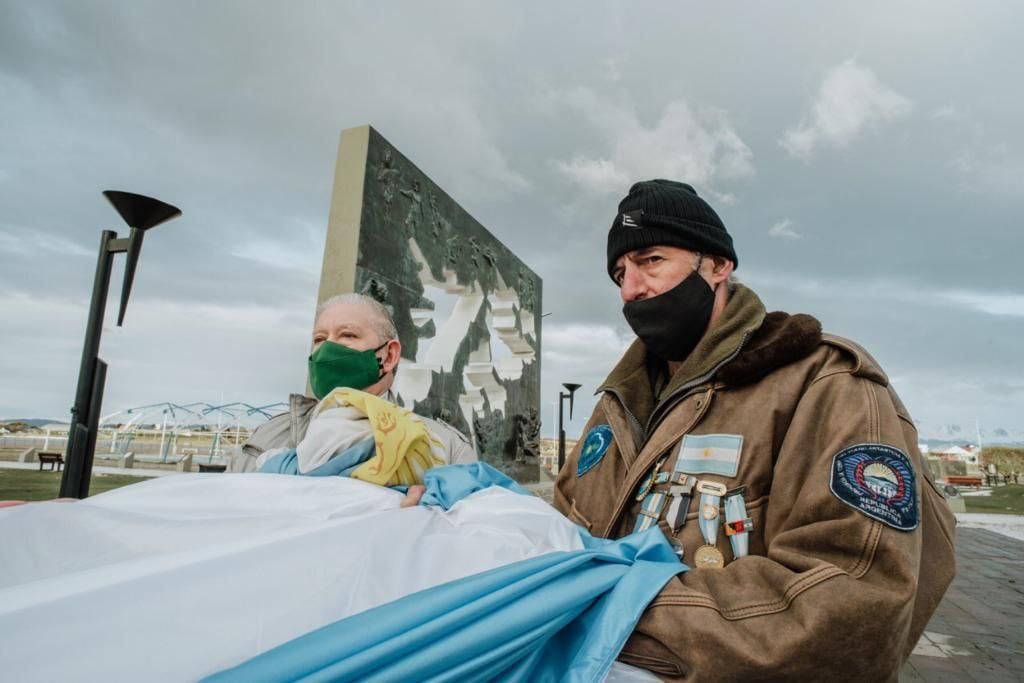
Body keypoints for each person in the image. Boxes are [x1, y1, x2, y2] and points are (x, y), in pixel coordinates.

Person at [553, 180, 956, 680]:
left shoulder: (824, 384)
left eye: (651, 259)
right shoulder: (617, 404)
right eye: (619, 272)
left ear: (718, 265)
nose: (631, 289)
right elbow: (559, 530)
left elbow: (855, 595)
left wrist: (610, 614)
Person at [230, 293, 476, 474]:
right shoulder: (262, 441)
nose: (327, 349)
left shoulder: (447, 449)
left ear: (388, 356)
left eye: (347, 335)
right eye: (319, 339)